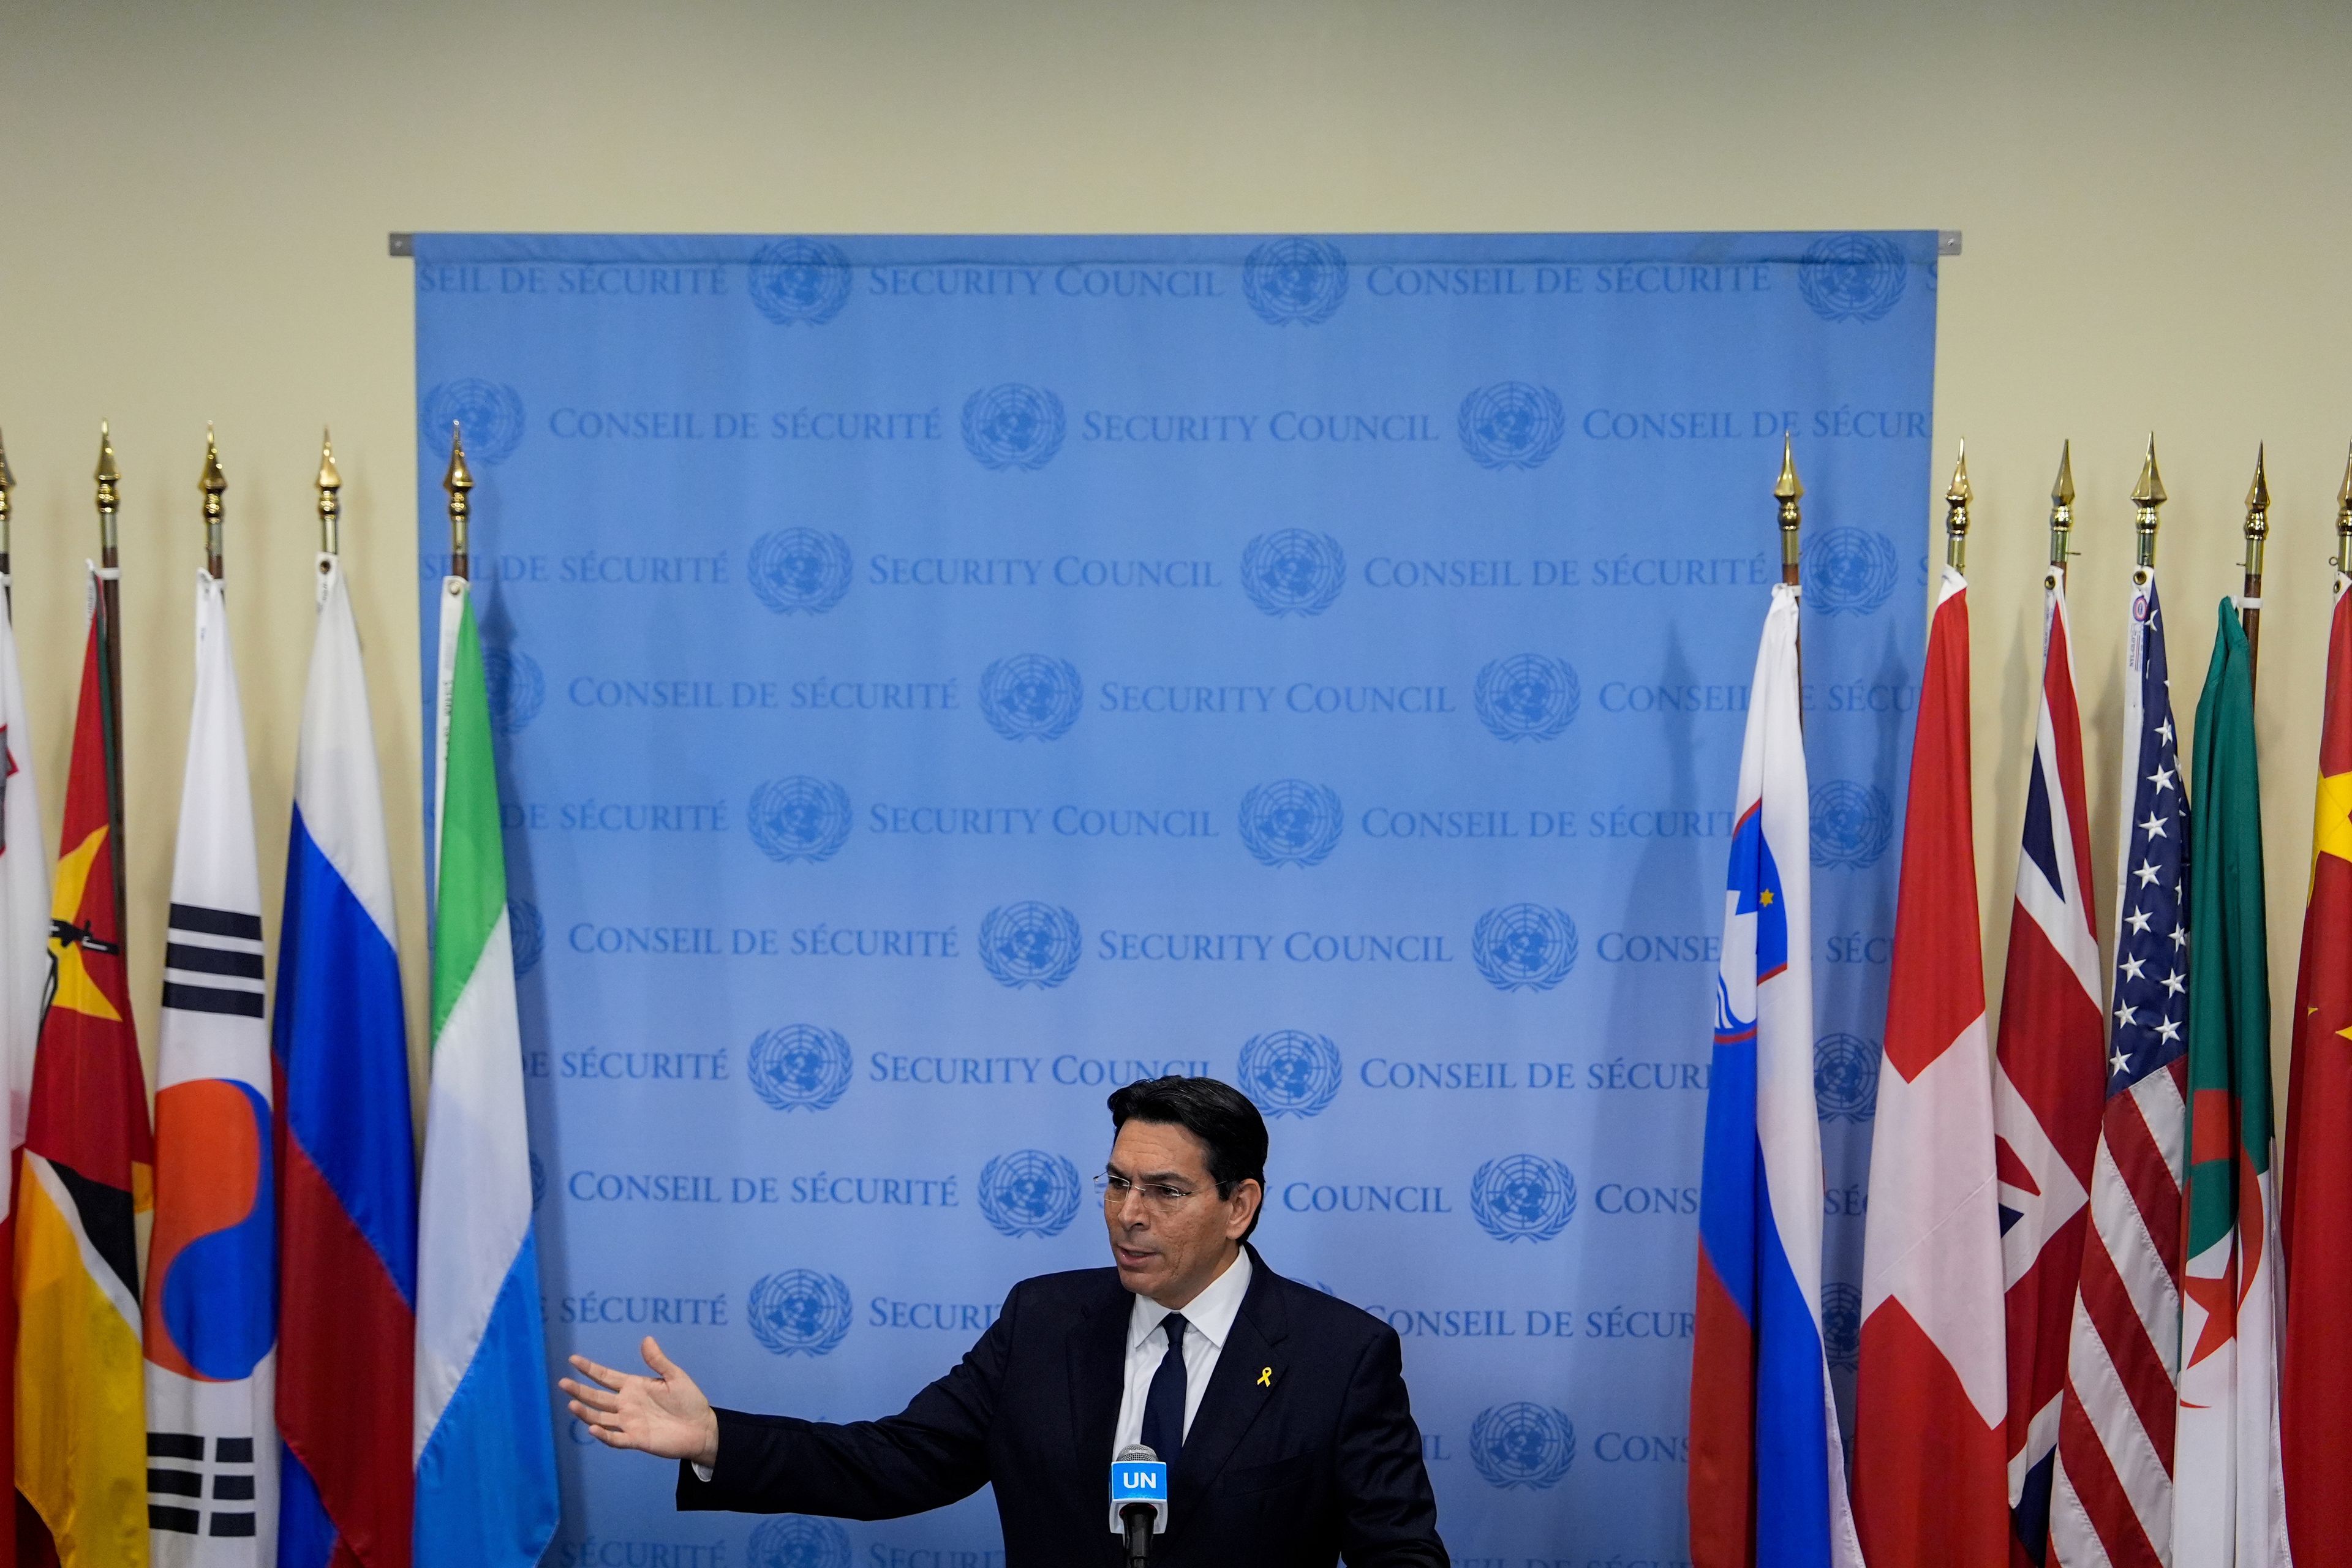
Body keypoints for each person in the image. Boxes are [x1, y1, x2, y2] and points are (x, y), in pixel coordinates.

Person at [560, 1074, 1448, 1566]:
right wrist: (718, 1437)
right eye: (1116, 1182)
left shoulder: (1338, 1354)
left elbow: (1399, 1556)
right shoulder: (1045, 1320)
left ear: (1239, 1204)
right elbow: (896, 1463)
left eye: (1165, 1192)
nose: (1127, 1213)